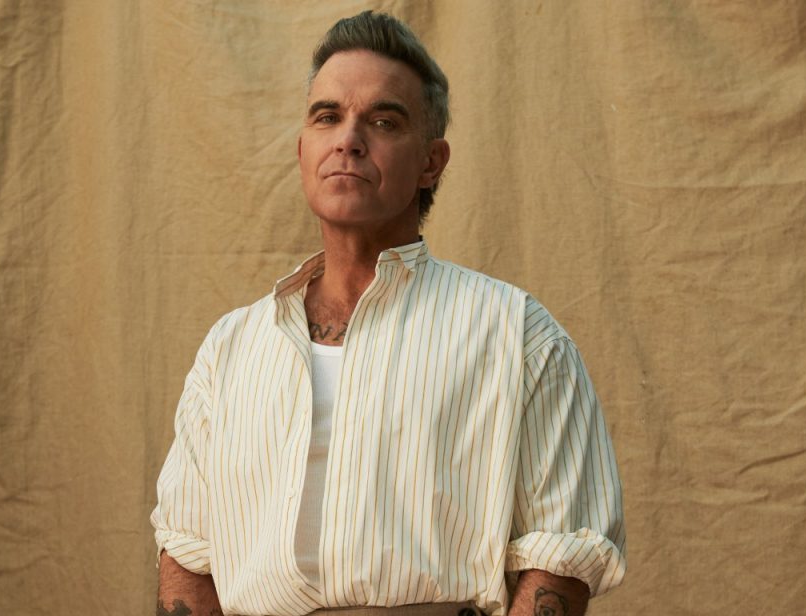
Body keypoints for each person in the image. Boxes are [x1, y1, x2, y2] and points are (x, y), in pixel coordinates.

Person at [152, 11, 625, 616]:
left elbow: (560, 556)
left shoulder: (517, 336)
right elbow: (186, 555)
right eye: (327, 117)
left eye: (383, 121)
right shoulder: (231, 349)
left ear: (432, 162)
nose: (348, 139)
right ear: (303, 150)